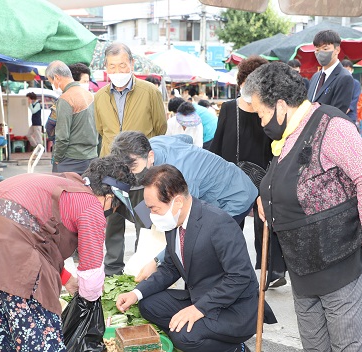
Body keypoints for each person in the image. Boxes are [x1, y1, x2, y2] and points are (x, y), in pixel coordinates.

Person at [243, 62, 362, 352]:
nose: (260, 122)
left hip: (344, 251)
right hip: (305, 256)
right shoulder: (291, 130)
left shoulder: (331, 126)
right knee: (314, 337)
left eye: (260, 112)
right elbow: (292, 176)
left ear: (279, 105)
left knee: (348, 345)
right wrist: (267, 199)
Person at [0, 157, 136, 352]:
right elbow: (91, 273)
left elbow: (40, 237)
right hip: (11, 251)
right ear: (109, 196)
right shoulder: (90, 204)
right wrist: (88, 303)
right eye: (114, 204)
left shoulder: (65, 183)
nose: (110, 211)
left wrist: (66, 279)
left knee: (5, 342)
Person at [116, 164, 276, 352]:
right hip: (201, 295)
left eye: (154, 209)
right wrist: (136, 293)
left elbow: (239, 277)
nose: (152, 216)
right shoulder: (175, 221)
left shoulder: (218, 223)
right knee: (149, 305)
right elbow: (171, 267)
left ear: (177, 201)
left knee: (183, 334)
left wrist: (198, 309)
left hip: (234, 307)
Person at [112, 131, 257, 281]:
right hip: (211, 190)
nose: (130, 173)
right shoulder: (155, 143)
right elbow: (185, 138)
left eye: (133, 168)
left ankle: (231, 286)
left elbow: (186, 225)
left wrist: (157, 261)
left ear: (150, 156)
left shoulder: (181, 175)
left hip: (234, 197)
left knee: (203, 245)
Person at [210, 55, 286, 287]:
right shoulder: (229, 108)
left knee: (266, 223)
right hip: (233, 177)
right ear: (241, 82)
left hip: (264, 173)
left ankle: (271, 271)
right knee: (231, 223)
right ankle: (231, 269)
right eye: (245, 81)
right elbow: (218, 142)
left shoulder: (271, 110)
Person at [94, 42, 167, 276]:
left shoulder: (150, 92)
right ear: (106, 67)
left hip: (141, 172)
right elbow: (101, 130)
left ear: (132, 64)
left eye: (122, 65)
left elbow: (160, 129)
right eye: (112, 67)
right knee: (112, 222)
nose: (118, 71)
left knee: (144, 223)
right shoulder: (99, 97)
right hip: (111, 173)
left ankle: (139, 269)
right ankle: (113, 270)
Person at [46, 60, 98, 174]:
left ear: (57, 78)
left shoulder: (65, 99)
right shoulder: (90, 95)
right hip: (92, 156)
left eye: (51, 81)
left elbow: (62, 137)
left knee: (66, 191)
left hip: (71, 160)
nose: (52, 85)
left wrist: (57, 158)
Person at [307, 30, 354, 116]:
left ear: (337, 50)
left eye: (325, 49)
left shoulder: (344, 78)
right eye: (317, 49)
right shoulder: (315, 77)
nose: (320, 53)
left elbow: (337, 113)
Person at [341, 59, 361, 124]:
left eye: (348, 69)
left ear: (352, 70)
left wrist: (346, 110)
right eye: (344, 69)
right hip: (337, 113)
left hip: (350, 115)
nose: (346, 72)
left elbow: (355, 99)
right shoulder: (338, 82)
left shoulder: (356, 83)